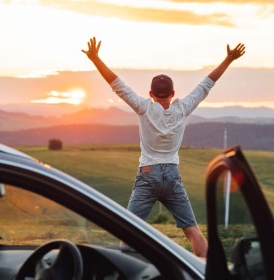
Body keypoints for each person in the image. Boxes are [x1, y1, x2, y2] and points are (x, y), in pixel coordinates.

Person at [81, 37, 245, 258]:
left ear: (150, 94)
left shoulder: (144, 108)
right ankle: (208, 272)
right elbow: (207, 84)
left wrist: (95, 59)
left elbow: (117, 85)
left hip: (148, 174)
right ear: (173, 94)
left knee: (129, 231)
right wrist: (228, 59)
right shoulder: (183, 108)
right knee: (192, 231)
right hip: (172, 175)